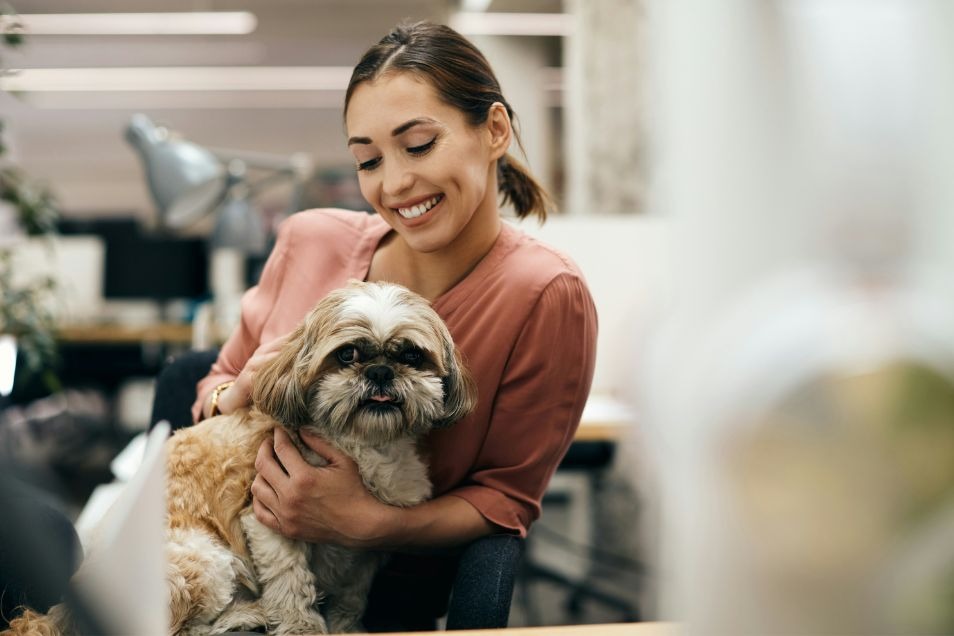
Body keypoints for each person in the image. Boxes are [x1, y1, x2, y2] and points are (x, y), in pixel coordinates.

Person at [191, 20, 597, 630]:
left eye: (419, 144)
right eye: (369, 159)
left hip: (381, 600)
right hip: (225, 565)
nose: (395, 183)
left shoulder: (545, 296)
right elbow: (208, 389)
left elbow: (505, 501)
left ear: (493, 130)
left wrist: (370, 524)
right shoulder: (308, 240)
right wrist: (238, 391)